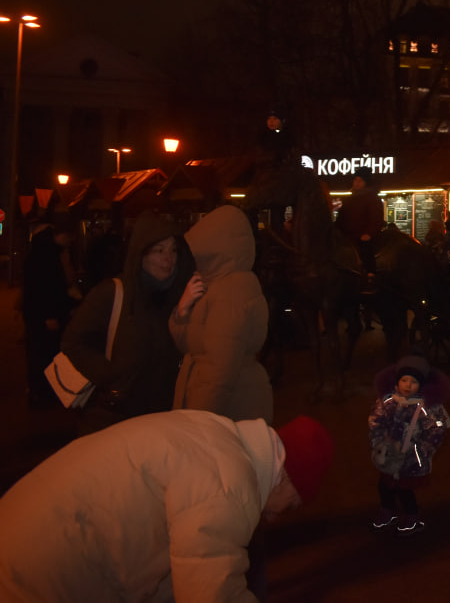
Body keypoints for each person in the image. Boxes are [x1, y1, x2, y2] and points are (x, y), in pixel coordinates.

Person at [0, 410, 334, 601]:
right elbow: (211, 595)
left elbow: (179, 572)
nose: (276, 517)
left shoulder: (217, 436)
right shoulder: (230, 485)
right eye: (291, 505)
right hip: (39, 571)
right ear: (286, 478)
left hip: (25, 534)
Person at [61, 211, 196, 434]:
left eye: (173, 250)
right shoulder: (113, 293)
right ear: (140, 254)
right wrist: (110, 374)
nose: (168, 259)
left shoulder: (179, 298)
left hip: (160, 419)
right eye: (159, 250)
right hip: (111, 418)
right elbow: (73, 342)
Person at [171, 205, 273, 424]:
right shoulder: (213, 282)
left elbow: (218, 373)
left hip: (230, 410)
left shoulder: (231, 290)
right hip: (219, 407)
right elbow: (189, 346)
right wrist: (182, 311)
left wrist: (195, 423)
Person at [369, 353, 450, 536]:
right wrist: (378, 442)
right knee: (384, 485)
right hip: (389, 455)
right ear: (397, 381)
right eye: (404, 380)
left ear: (421, 385)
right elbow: (375, 421)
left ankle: (412, 516)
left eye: (413, 382)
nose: (408, 385)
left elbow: (437, 430)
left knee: (405, 490)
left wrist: (421, 449)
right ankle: (387, 510)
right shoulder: (388, 402)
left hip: (411, 458)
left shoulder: (427, 408)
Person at [21, 217, 78, 408]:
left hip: (37, 313)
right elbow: (45, 287)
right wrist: (50, 314)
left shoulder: (41, 250)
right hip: (44, 314)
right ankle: (42, 393)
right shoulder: (48, 254)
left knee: (38, 352)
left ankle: (39, 392)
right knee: (44, 354)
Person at [336, 165, 385, 279]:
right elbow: (342, 217)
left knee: (365, 249)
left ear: (366, 182)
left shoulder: (372, 198)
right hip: (348, 235)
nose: (357, 183)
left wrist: (369, 233)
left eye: (360, 180)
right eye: (355, 179)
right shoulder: (349, 199)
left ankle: (370, 274)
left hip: (363, 236)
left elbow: (376, 218)